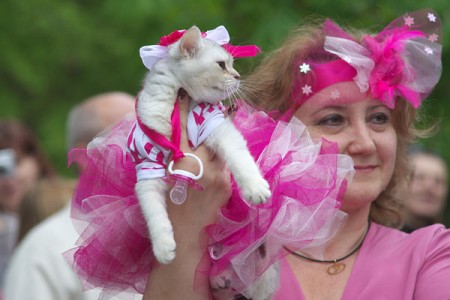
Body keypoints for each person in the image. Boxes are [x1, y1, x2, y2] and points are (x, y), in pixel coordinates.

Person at [62, 8, 449, 300]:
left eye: (379, 119)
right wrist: (189, 223)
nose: (364, 142)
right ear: (273, 134)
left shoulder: (431, 252)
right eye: (333, 120)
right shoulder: (226, 255)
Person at [2, 92, 141, 300]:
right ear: (88, 155)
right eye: (134, 139)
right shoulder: (44, 252)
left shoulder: (174, 231)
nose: (156, 151)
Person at [0, 119, 56, 285]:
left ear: (36, 161)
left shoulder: (65, 209)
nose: (9, 178)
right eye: (1, 169)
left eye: (15, 162)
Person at [402, 149, 448, 233]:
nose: (429, 187)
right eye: (419, 177)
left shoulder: (446, 242)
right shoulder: (379, 238)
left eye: (438, 181)